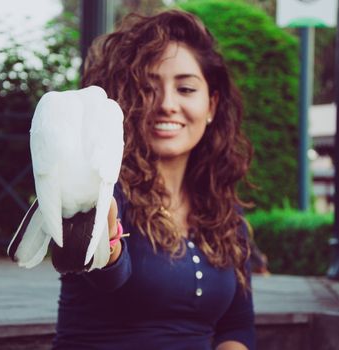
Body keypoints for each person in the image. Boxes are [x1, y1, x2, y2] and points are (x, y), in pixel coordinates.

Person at [52, 10, 255, 350]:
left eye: (186, 88)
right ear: (125, 103)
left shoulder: (224, 210)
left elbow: (237, 327)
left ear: (211, 105)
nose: (166, 105)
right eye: (146, 88)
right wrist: (108, 246)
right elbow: (106, 277)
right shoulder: (102, 188)